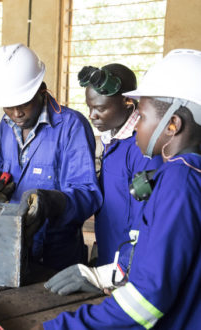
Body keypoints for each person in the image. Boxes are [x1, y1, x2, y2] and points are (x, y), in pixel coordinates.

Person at [42, 49, 201, 329]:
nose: (135, 124)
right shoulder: (179, 172)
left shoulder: (180, 182)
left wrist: (57, 327)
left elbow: (147, 298)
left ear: (173, 125)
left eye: (141, 115)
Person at [0, 44, 102, 271]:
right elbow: (1, 168)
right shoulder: (6, 126)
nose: (16, 113)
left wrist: (53, 202)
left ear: (42, 90)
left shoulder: (71, 126)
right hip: (12, 247)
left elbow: (88, 195)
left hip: (57, 254)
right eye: (8, 106)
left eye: (23, 104)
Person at [79, 63, 162, 266]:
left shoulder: (142, 149)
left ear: (127, 101)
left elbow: (143, 214)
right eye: (89, 107)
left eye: (100, 108)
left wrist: (125, 264)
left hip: (128, 260)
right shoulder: (111, 138)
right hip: (109, 250)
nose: (92, 115)